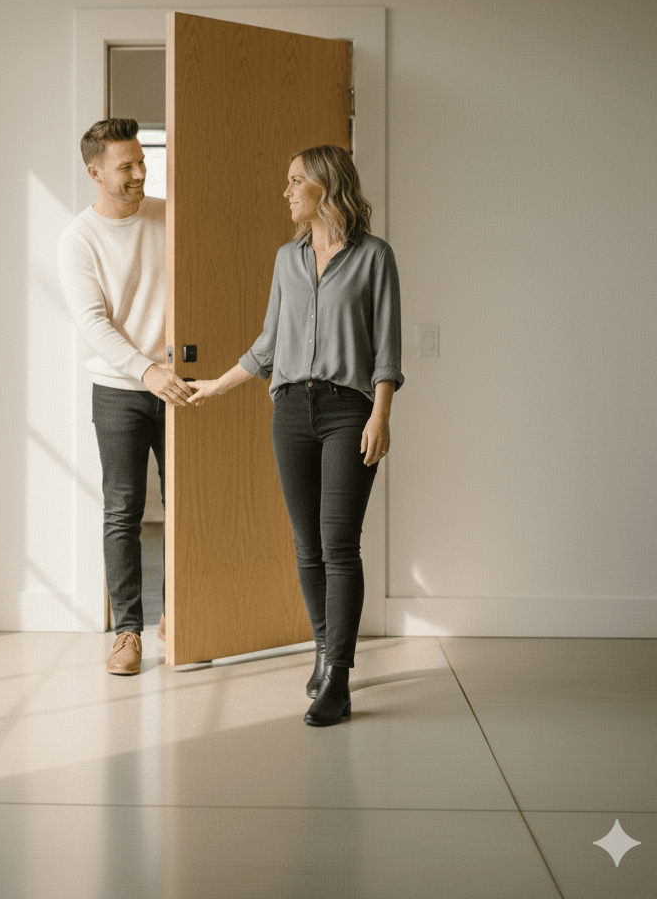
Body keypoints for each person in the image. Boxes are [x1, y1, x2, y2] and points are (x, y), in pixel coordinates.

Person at [187, 144, 403, 725]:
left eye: (294, 182)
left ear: (325, 188)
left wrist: (380, 415)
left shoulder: (374, 257)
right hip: (289, 409)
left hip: (348, 411)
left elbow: (386, 348)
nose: (285, 192)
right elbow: (268, 343)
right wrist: (217, 385)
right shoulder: (287, 258)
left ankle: (338, 677)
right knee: (307, 545)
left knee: (339, 545)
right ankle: (323, 648)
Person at [58, 118, 195, 675]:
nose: (141, 172)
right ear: (95, 172)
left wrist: (169, 372)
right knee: (124, 511)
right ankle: (128, 633)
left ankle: (182, 617)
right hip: (120, 390)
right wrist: (145, 372)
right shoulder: (79, 238)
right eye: (127, 166)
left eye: (142, 161)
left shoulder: (169, 215)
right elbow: (92, 323)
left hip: (179, 381)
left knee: (188, 507)